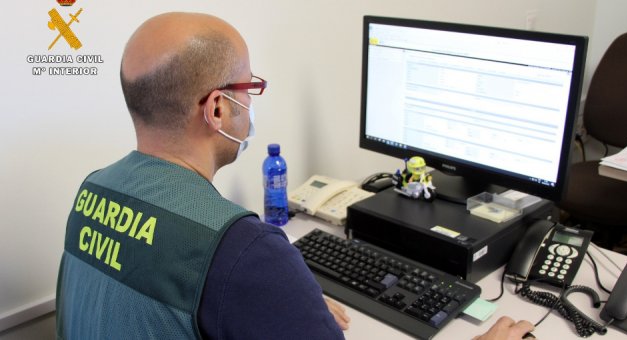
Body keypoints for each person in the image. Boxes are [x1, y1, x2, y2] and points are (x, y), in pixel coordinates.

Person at [55, 12, 534, 340]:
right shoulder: (242, 249)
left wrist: (281, 307)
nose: (253, 100)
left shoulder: (93, 191)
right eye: (250, 86)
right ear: (218, 107)